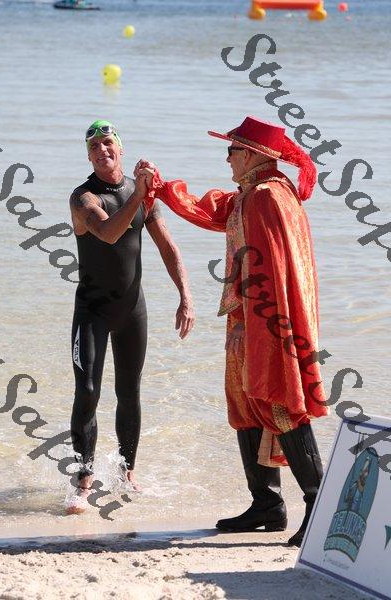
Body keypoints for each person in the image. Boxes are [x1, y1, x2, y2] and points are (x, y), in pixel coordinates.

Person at [136, 116, 329, 547]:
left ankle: (317, 506)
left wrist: (260, 326)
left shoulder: (266, 197)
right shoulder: (256, 193)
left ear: (253, 155)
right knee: (245, 403)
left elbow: (271, 271)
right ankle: (267, 504)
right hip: (253, 317)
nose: (227, 158)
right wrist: (161, 187)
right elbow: (214, 210)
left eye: (232, 150)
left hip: (267, 320)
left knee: (282, 400)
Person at [67, 120, 194, 514]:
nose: (102, 150)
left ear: (120, 149)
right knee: (88, 390)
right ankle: (84, 479)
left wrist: (185, 296)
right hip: (92, 311)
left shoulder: (142, 196)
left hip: (131, 309)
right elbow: (108, 234)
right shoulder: (83, 198)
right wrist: (139, 195)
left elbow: (168, 248)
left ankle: (126, 472)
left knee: (129, 392)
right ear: (88, 156)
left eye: (108, 143)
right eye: (94, 147)